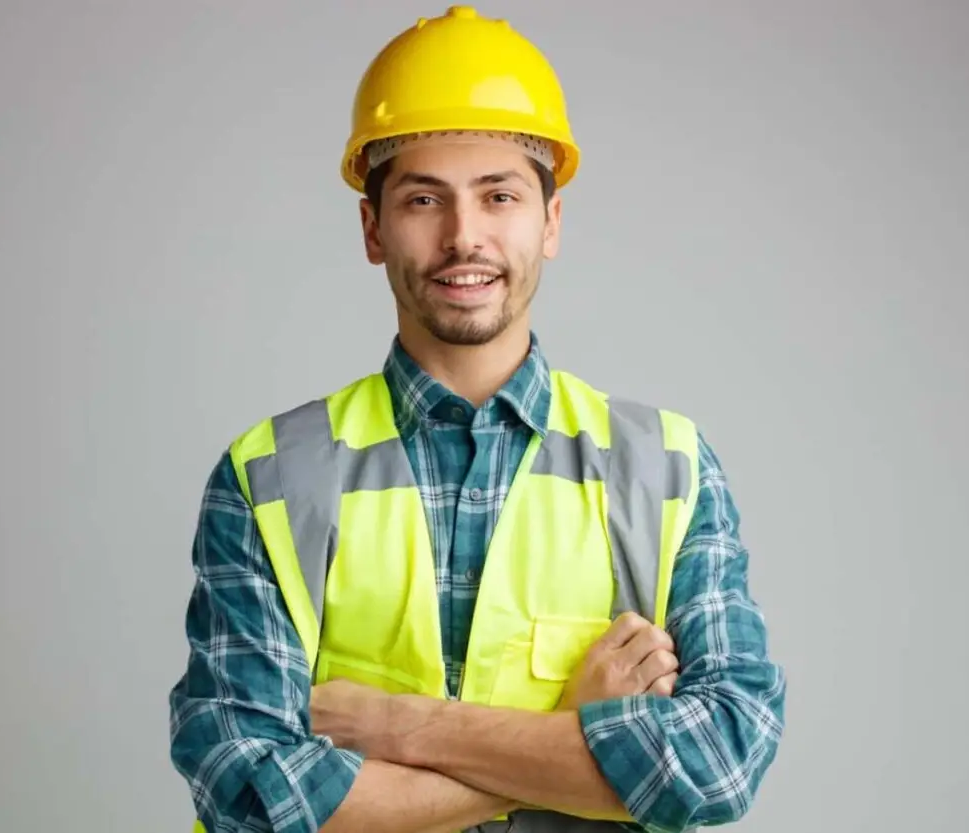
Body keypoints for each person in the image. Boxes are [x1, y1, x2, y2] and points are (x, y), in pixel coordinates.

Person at [168, 6, 786, 833]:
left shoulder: (666, 467)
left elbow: (716, 764)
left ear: (550, 221)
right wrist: (571, 741)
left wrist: (399, 727)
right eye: (425, 199)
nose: (465, 236)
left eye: (500, 196)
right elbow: (250, 794)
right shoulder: (272, 474)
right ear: (373, 228)